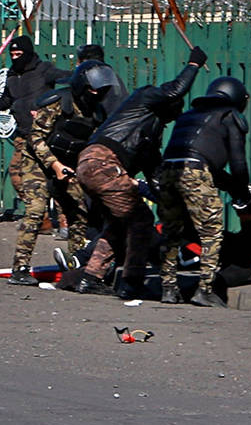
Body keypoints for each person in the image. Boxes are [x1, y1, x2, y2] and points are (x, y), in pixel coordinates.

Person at [74, 46, 207, 299]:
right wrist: (194, 64)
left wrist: (174, 203)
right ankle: (131, 283)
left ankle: (91, 277)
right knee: (141, 222)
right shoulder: (145, 98)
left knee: (118, 223)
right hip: (103, 163)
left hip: (93, 165)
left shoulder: (149, 134)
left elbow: (155, 176)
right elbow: (177, 89)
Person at [0, 35, 70, 284]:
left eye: (18, 54)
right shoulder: (12, 76)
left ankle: (63, 221)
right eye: (11, 54)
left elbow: (69, 83)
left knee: (60, 181)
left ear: (28, 53)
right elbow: (4, 102)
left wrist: (49, 109)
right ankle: (41, 217)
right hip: (24, 138)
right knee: (18, 177)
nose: (14, 57)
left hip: (48, 137)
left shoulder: (45, 71)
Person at [27, 60, 124, 286]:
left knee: (82, 212)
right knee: (35, 210)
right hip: (41, 160)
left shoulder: (98, 111)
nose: (97, 94)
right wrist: (54, 164)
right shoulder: (59, 103)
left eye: (101, 90)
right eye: (93, 89)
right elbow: (36, 138)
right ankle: (19, 268)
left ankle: (77, 263)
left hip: (72, 165)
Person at [157, 76, 251, 307]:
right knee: (211, 230)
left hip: (168, 170)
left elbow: (200, 158)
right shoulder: (230, 116)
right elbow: (238, 163)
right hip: (195, 171)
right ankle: (205, 289)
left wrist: (228, 184)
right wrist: (243, 192)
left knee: (171, 231)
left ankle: (168, 288)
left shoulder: (188, 116)